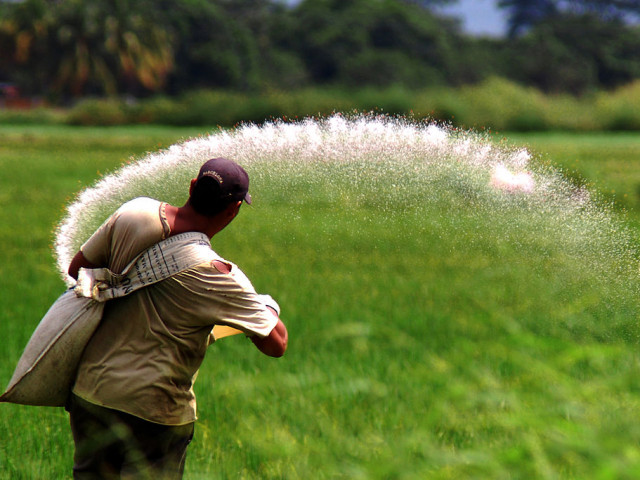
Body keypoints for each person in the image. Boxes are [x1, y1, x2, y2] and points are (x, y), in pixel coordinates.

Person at [65, 157, 288, 479]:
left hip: (92, 393)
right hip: (153, 411)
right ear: (234, 209)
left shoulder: (135, 212)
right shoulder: (220, 276)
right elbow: (275, 344)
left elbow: (77, 272)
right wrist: (267, 306)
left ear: (193, 186)